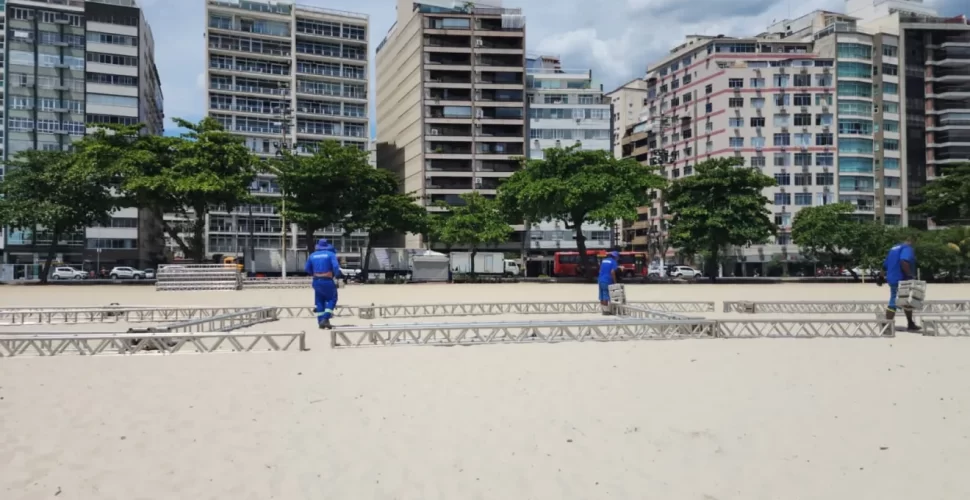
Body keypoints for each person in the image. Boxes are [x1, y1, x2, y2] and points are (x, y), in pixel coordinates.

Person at [883, 237, 920, 332]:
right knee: (894, 301)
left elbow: (885, 265)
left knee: (907, 300)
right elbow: (904, 261)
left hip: (892, 278)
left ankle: (910, 323)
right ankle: (887, 324)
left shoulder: (893, 249)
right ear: (911, 241)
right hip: (901, 278)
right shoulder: (907, 248)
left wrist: (880, 277)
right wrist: (910, 275)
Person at [305, 239, 342, 330]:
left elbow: (307, 268)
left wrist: (314, 273)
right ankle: (326, 318)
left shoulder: (312, 255)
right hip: (327, 280)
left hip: (316, 280)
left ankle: (320, 321)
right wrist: (336, 275)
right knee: (332, 299)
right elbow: (336, 267)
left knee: (319, 301)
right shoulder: (331, 254)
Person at [597, 251, 619, 315]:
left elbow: (600, 270)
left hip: (600, 280)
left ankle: (603, 310)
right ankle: (606, 311)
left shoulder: (604, 261)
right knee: (606, 295)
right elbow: (612, 272)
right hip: (607, 280)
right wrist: (615, 282)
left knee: (602, 295)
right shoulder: (614, 262)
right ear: (616, 257)